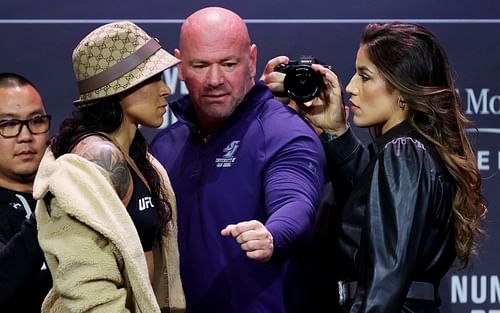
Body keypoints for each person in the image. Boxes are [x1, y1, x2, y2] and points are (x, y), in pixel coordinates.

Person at [262, 22, 487, 312]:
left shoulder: (403, 152)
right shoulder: (416, 152)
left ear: (403, 90)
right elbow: (369, 206)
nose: (350, 87)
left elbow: (385, 278)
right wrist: (336, 132)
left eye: (365, 76)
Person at [150, 7, 325, 313]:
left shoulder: (282, 133)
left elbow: (296, 201)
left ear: (252, 60)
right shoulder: (165, 145)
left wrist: (272, 235)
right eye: (200, 65)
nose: (214, 79)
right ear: (179, 66)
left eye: (228, 64)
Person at [32, 21, 185, 312]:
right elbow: (89, 289)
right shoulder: (94, 160)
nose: (166, 89)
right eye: (153, 78)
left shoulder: (138, 156)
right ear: (120, 88)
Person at [0, 73, 52, 312]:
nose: (25, 136)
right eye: (8, 125)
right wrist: (50, 208)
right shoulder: (59, 200)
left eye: (37, 121)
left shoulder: (76, 193)